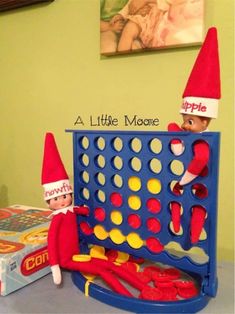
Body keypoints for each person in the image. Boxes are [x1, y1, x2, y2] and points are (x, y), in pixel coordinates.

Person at [41, 132, 147, 296]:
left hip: (78, 253)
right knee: (104, 271)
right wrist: (55, 267)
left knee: (111, 266)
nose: (62, 201)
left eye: (64, 196)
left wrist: (99, 210)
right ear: (48, 201)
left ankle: (145, 288)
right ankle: (128, 296)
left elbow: (83, 211)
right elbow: (52, 242)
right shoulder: (57, 220)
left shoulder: (71, 210)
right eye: (56, 198)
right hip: (67, 260)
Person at [168, 27, 221, 244]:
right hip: (187, 182)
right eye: (184, 118)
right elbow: (172, 128)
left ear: (204, 121)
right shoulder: (189, 132)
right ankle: (176, 226)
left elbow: (200, 158)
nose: (184, 125)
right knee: (174, 198)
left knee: (198, 209)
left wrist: (184, 179)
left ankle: (192, 237)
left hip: (201, 184)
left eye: (190, 121)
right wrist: (177, 142)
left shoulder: (203, 141)